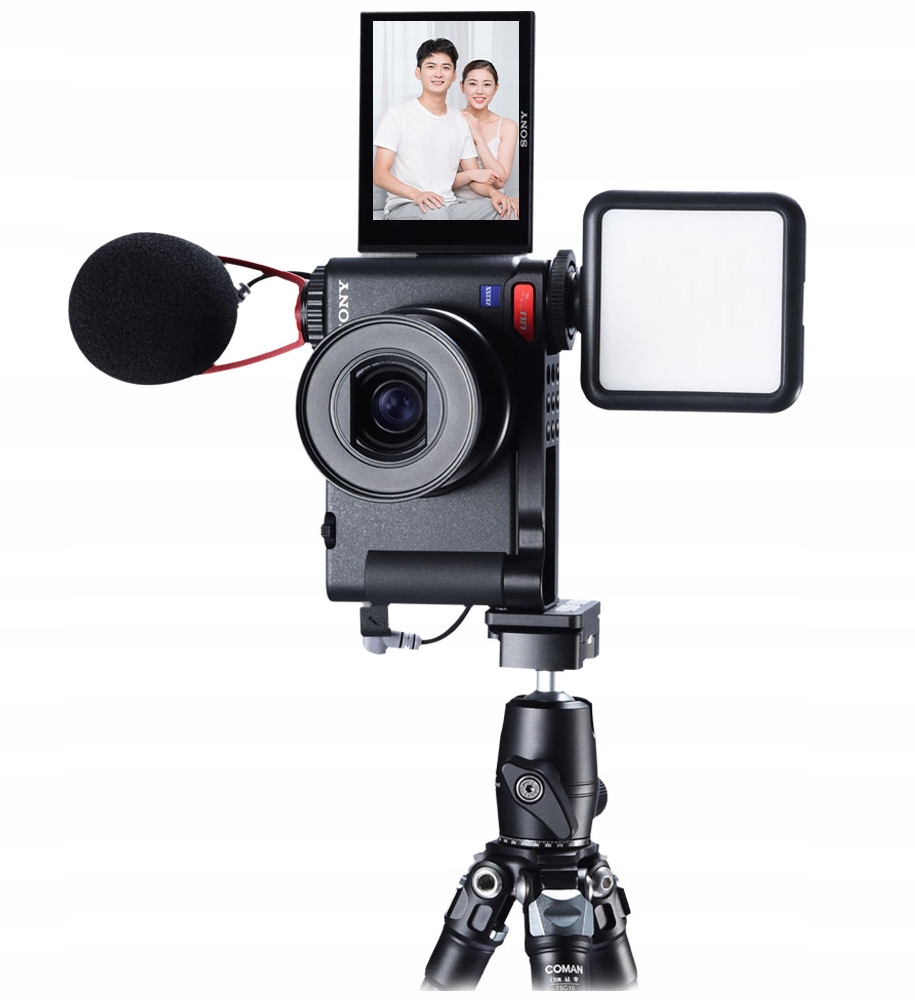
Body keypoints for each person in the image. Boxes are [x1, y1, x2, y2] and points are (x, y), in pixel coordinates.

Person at [373, 39, 511, 220]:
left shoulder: (460, 121)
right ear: (418, 72)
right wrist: (417, 194)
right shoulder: (397, 115)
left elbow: (474, 178)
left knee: (507, 210)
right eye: (431, 66)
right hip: (408, 205)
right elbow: (380, 175)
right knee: (437, 215)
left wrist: (494, 194)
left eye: (445, 67)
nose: (438, 73)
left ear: (454, 76)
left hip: (449, 205)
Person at [452, 60, 519, 219]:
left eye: (487, 84)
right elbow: (440, 179)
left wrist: (479, 139)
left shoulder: (507, 126)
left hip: (496, 199)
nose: (480, 91)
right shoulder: (452, 121)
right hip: (458, 203)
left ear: (496, 88)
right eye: (473, 84)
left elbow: (499, 181)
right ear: (462, 86)